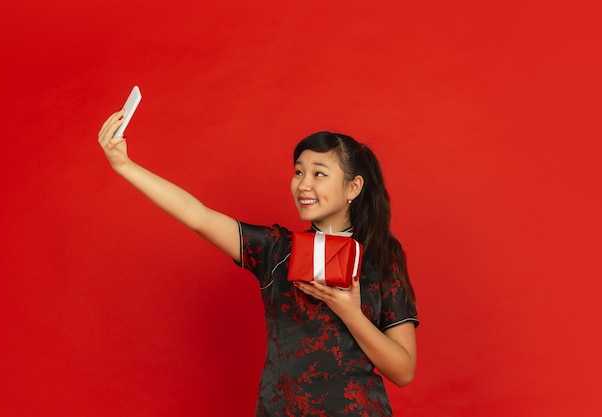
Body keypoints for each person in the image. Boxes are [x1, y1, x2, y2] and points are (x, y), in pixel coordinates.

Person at [98, 109, 419, 416]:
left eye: (319, 173)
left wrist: (350, 312)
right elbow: (198, 216)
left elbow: (403, 371)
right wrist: (124, 165)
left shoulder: (380, 258)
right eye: (298, 172)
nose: (303, 184)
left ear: (353, 187)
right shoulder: (275, 250)